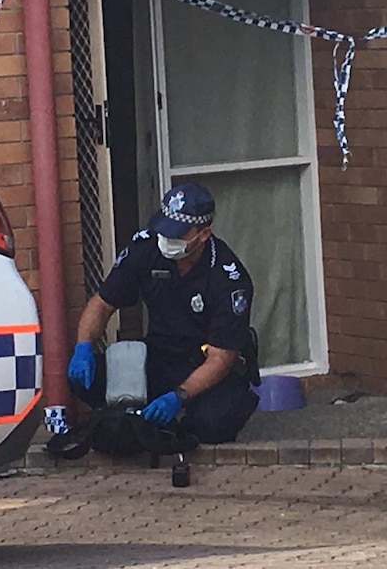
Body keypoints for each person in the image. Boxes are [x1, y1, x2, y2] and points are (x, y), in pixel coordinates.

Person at [66, 183, 259, 445]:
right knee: (85, 380)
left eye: (177, 234)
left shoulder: (228, 278)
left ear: (203, 235)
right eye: (164, 229)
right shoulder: (147, 248)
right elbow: (102, 303)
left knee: (211, 426)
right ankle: (134, 424)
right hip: (159, 355)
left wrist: (178, 396)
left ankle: (169, 423)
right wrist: (83, 346)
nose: (166, 239)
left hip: (203, 364)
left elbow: (221, 358)